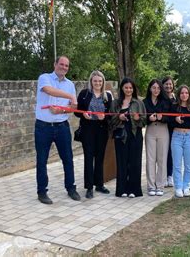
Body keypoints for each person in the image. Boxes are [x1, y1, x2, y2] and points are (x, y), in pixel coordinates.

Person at [34, 56, 80, 204]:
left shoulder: (70, 84)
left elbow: (73, 108)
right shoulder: (44, 78)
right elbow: (49, 91)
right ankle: (42, 192)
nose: (64, 67)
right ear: (55, 64)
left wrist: (60, 111)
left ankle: (71, 188)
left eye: (67, 66)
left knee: (68, 159)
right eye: (61, 64)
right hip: (43, 127)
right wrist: (70, 96)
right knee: (42, 160)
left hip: (62, 127)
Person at [75, 70, 112, 199]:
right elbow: (77, 111)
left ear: (103, 82)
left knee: (100, 157)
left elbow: (111, 115)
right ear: (91, 81)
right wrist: (83, 114)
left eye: (100, 81)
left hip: (102, 130)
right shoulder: (84, 94)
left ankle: (99, 185)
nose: (97, 83)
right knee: (89, 157)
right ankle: (89, 187)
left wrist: (104, 118)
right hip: (88, 129)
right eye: (95, 81)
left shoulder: (107, 96)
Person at [109, 78, 147, 198]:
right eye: (126, 87)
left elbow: (144, 121)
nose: (128, 90)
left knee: (135, 162)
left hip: (135, 135)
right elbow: (110, 120)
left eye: (130, 87)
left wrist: (137, 119)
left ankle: (134, 190)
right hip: (121, 136)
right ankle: (122, 189)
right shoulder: (115, 103)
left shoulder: (139, 103)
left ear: (133, 89)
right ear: (122, 88)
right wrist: (119, 117)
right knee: (122, 162)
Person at [170, 85, 190, 198]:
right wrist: (175, 119)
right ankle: (178, 187)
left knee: (189, 164)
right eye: (182, 93)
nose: (184, 95)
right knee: (177, 164)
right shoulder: (174, 107)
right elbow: (169, 123)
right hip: (177, 136)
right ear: (179, 94)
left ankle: (186, 186)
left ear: (189, 94)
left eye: (186, 93)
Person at [144, 79, 170, 196]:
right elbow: (141, 118)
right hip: (150, 131)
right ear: (150, 88)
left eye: (158, 88)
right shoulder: (145, 102)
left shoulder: (166, 101)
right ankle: (151, 186)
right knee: (150, 159)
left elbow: (170, 118)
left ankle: (160, 185)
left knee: (162, 159)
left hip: (163, 130)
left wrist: (161, 117)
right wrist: (148, 119)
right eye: (154, 88)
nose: (156, 90)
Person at [162, 76, 176, 187]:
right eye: (166, 84)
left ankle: (169, 175)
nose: (168, 86)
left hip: (172, 129)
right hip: (162, 128)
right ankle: (163, 176)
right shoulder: (160, 98)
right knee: (162, 153)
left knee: (170, 153)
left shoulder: (175, 98)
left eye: (170, 84)